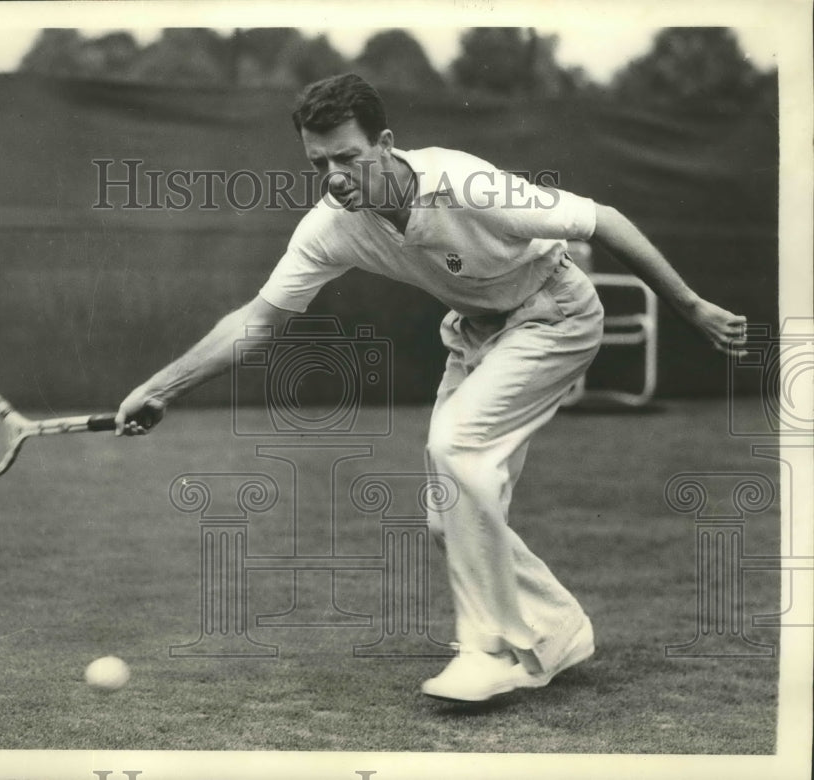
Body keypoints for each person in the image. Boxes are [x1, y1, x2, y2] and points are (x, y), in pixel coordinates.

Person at [115, 74, 748, 702]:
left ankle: (490, 649)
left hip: (555, 313)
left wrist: (691, 307)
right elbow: (257, 321)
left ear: (386, 143)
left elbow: (601, 220)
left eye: (349, 157)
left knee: (458, 447)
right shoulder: (331, 225)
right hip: (476, 333)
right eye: (319, 162)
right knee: (450, 515)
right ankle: (556, 629)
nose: (335, 176)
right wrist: (163, 387)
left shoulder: (465, 183)